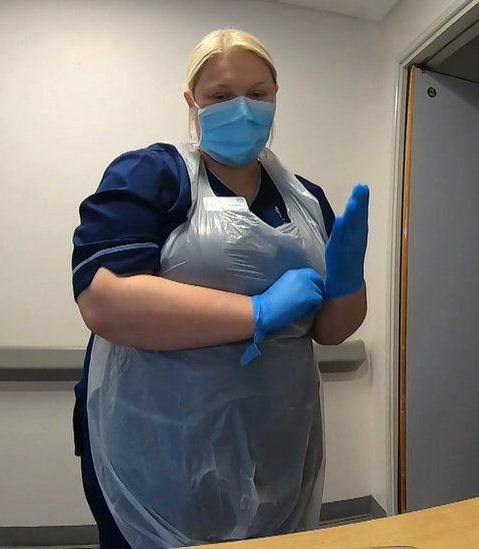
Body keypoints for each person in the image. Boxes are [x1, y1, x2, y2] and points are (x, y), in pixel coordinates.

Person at [70, 29, 368, 548]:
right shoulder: (153, 174)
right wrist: (258, 310)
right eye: (221, 96)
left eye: (258, 94)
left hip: (275, 436)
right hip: (160, 436)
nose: (243, 109)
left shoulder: (305, 199)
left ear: (276, 97)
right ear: (192, 102)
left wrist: (348, 281)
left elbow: (331, 331)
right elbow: (105, 300)